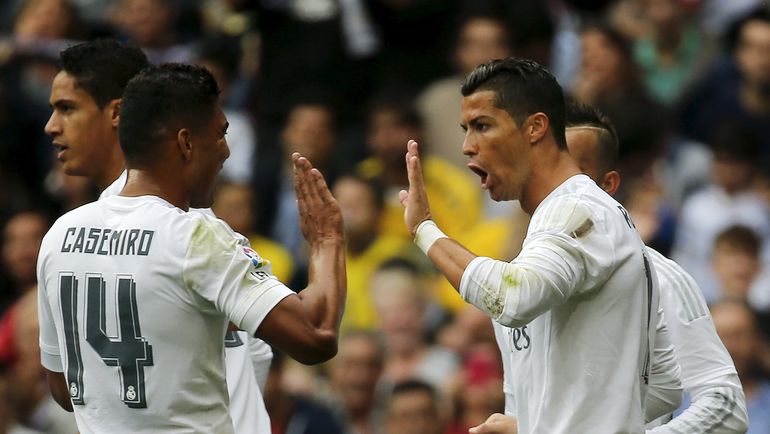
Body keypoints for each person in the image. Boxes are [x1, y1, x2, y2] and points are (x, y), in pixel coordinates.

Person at [36, 63, 346, 432]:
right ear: (186, 143)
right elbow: (316, 334)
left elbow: (63, 389)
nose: (226, 151)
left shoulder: (60, 235)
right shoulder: (195, 237)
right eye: (220, 134)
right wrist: (327, 241)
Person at [398, 57, 679, 432]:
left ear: (535, 127)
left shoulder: (577, 210)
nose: (467, 147)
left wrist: (424, 229)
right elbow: (662, 384)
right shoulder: (552, 224)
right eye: (466, 130)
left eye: (482, 126)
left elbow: (511, 298)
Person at [471, 100, 749, 434]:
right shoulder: (514, 293)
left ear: (608, 186)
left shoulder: (661, 277)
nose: (559, 187)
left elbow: (725, 407)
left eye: (574, 176)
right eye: (545, 170)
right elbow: (528, 418)